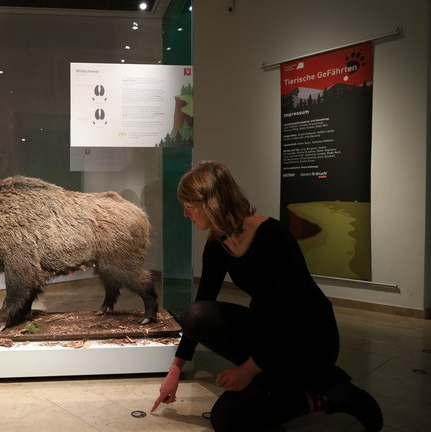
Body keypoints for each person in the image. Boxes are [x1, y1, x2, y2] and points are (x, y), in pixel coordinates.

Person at [150, 161, 383, 431]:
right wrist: (175, 369)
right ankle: (295, 382)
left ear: (211, 202)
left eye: (190, 205)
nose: (185, 213)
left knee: (227, 419)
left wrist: (248, 369)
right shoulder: (217, 245)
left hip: (310, 338)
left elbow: (300, 315)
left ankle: (331, 392)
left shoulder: (273, 235)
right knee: (194, 315)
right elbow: (202, 302)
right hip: (270, 332)